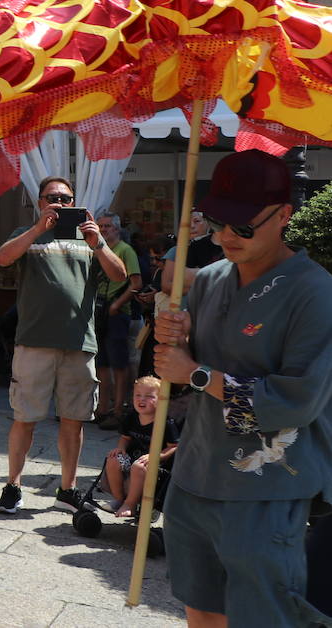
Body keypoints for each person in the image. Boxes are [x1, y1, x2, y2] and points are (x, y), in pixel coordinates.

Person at [153, 150, 332, 628]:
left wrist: (193, 372)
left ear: (284, 216)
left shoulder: (316, 293)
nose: (226, 236)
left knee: (264, 617)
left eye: (243, 226)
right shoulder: (209, 280)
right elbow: (187, 363)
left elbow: (295, 402)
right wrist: (178, 336)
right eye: (218, 222)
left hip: (266, 488)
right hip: (195, 477)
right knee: (201, 611)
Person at [0, 176, 126, 515]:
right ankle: (13, 486)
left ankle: (67, 488)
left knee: (74, 420)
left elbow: (119, 275)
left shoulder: (89, 238)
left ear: (75, 203)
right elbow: (3, 259)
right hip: (34, 341)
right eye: (52, 197)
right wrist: (38, 229)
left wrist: (97, 242)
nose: (60, 203)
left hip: (79, 342)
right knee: (24, 417)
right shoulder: (27, 233)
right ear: (39, 202)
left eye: (66, 199)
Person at [93, 211, 142, 430]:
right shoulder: (99, 249)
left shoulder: (125, 250)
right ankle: (102, 408)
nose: (103, 230)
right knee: (101, 363)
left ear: (116, 228)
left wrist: (117, 304)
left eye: (107, 226)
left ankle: (119, 410)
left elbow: (136, 283)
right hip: (100, 311)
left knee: (119, 365)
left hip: (117, 314)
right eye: (100, 226)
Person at [102, 376, 177, 518]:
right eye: (138, 395)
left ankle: (130, 503)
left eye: (149, 396)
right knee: (113, 459)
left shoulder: (165, 422)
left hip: (155, 466)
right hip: (131, 459)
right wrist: (121, 449)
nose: (141, 399)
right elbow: (125, 438)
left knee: (139, 466)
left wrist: (157, 456)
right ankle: (119, 499)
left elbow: (173, 446)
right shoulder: (132, 417)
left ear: (161, 399)